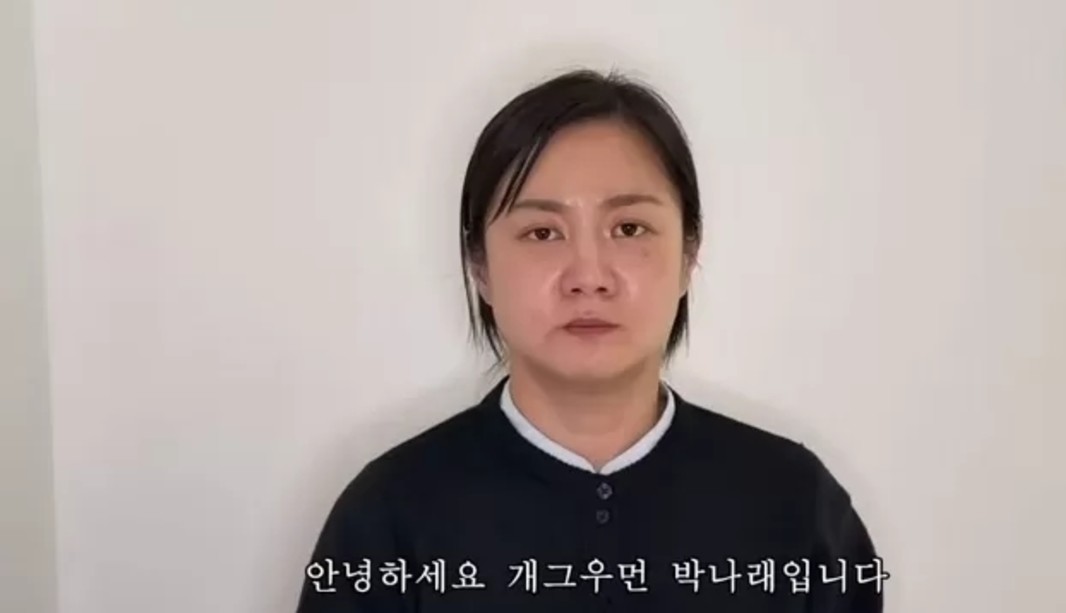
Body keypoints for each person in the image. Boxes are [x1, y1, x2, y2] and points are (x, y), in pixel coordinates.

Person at [297, 68, 885, 612]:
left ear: (689, 254)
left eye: (629, 228)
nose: (588, 276)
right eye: (542, 232)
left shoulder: (794, 503)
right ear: (480, 267)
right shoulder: (387, 519)